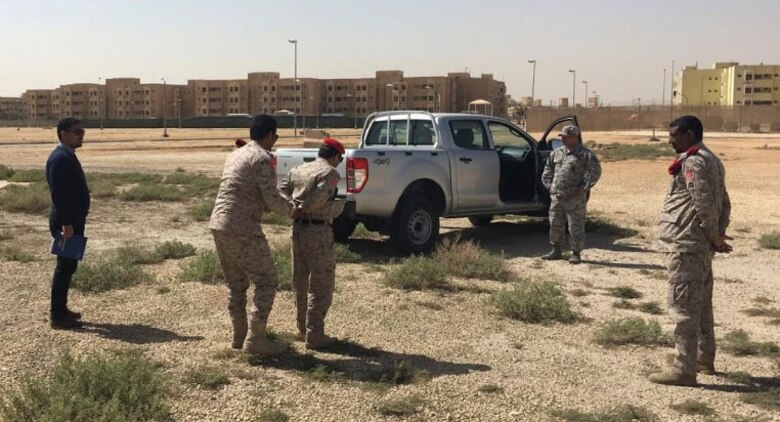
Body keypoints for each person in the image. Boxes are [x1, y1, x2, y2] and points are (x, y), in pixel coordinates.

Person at [649, 115, 732, 387]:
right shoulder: (712, 160)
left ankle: (684, 369)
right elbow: (725, 204)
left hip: (687, 244)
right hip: (701, 245)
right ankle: (704, 358)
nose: (669, 139)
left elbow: (705, 204)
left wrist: (714, 237)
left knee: (683, 306)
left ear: (690, 134)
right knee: (702, 304)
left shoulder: (694, 161)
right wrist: (716, 236)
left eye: (674, 134)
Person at [209, 114, 299, 356]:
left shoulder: (236, 154)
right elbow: (272, 198)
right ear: (269, 135)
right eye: (276, 136)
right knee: (267, 280)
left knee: (236, 284)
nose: (275, 141)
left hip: (219, 223)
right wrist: (295, 211)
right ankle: (256, 338)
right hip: (241, 226)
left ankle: (239, 336)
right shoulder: (261, 158)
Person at [279, 137, 346, 350]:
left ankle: (302, 328)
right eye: (340, 158)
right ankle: (315, 334)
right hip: (318, 230)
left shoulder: (298, 169)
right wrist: (304, 207)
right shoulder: (330, 173)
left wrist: (292, 206)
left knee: (300, 280)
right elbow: (318, 199)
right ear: (335, 156)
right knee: (321, 282)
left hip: (297, 229)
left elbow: (280, 189)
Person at [46, 117, 90, 329]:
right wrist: (66, 223)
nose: (81, 136)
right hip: (67, 222)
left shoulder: (67, 155)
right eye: (77, 132)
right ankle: (57, 316)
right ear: (63, 133)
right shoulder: (60, 158)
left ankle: (62, 310)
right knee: (64, 267)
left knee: (69, 265)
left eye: (82, 132)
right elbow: (58, 194)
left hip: (72, 220)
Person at [540, 125, 601, 264]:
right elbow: (548, 169)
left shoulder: (585, 154)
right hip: (557, 196)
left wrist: (583, 188)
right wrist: (549, 186)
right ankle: (556, 250)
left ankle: (576, 252)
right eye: (562, 137)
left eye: (567, 137)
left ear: (575, 137)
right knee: (555, 223)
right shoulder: (557, 153)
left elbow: (595, 171)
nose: (564, 139)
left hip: (575, 198)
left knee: (575, 225)